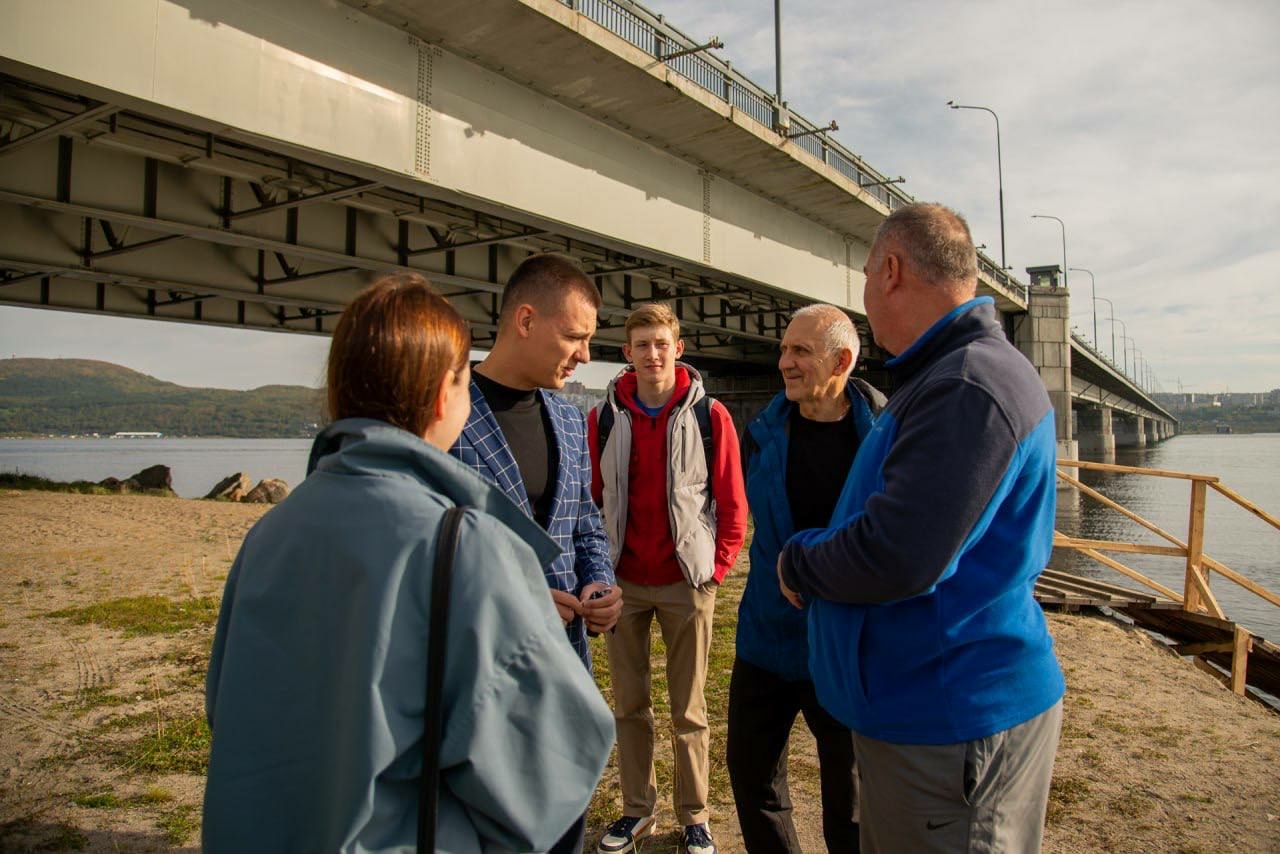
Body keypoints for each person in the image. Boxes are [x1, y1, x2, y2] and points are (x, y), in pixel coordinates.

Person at [204, 274, 615, 852]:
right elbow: (545, 782)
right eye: (463, 379)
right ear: (443, 393)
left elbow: (227, 709)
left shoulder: (269, 533)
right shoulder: (463, 543)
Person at [777, 203, 1066, 853]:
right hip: (926, 715)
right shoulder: (950, 374)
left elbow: (898, 555)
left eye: (864, 275)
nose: (865, 294)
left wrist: (799, 560)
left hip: (950, 724)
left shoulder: (967, 385)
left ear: (891, 270)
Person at [450, 253, 622, 854]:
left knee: (563, 827)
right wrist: (516, 603)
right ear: (525, 320)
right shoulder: (444, 412)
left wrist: (600, 583)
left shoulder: (571, 421)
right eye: (574, 337)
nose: (585, 356)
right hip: (479, 678)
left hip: (563, 673)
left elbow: (585, 524)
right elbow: (425, 548)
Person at [587, 302, 748, 854]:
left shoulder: (710, 415)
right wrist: (598, 570)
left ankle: (695, 816)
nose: (652, 354)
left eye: (661, 344)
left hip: (686, 582)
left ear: (678, 349)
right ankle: (637, 811)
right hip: (624, 583)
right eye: (642, 345)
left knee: (690, 709)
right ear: (627, 353)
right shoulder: (603, 418)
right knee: (629, 706)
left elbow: (732, 502)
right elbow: (592, 499)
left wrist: (715, 570)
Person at [729, 304, 885, 853]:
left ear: (841, 361)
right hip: (767, 636)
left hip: (848, 641)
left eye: (800, 351)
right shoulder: (761, 433)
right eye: (783, 349)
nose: (784, 362)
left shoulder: (885, 437)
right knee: (751, 776)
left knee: (850, 796)